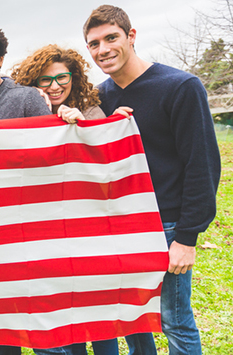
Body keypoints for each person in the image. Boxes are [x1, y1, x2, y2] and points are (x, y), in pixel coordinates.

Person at [83, 5, 220, 355]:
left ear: (131, 36)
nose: (103, 50)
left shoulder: (180, 87)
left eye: (111, 38)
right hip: (122, 225)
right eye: (94, 44)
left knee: (174, 319)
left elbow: (202, 165)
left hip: (168, 224)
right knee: (132, 316)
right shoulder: (99, 98)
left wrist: (187, 239)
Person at [0, 18, 80, 355]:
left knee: (44, 332)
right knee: (3, 332)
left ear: (0, 58)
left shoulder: (27, 100)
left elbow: (53, 160)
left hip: (32, 233)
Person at [12, 44, 119, 355]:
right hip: (47, 235)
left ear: (75, 78)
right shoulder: (27, 111)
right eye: (45, 79)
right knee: (63, 317)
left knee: (98, 315)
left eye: (62, 77)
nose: (55, 85)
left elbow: (106, 164)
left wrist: (86, 127)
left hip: (90, 230)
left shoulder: (91, 109)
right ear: (33, 81)